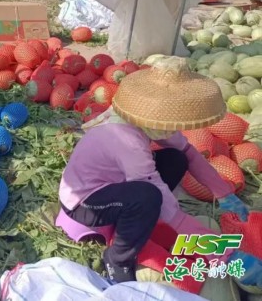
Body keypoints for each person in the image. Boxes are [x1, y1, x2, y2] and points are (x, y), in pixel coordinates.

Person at [58, 56, 250, 283]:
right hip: (85, 201)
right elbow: (155, 190)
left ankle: (139, 219)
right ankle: (117, 259)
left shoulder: (148, 120)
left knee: (176, 159)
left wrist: (224, 193)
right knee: (148, 197)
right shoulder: (127, 140)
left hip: (117, 181)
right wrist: (217, 249)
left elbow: (188, 152)